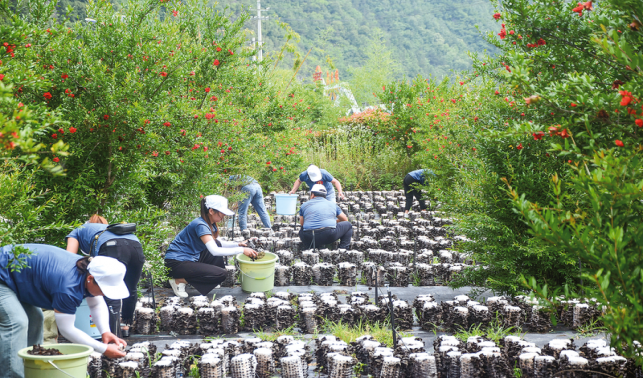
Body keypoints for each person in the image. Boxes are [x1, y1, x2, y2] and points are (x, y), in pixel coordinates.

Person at [0, 244, 129, 377]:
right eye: (103, 290)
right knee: (16, 322)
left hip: (17, 278)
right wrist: (104, 349)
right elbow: (67, 329)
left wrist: (105, 332)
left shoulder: (88, 269)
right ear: (90, 279)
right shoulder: (68, 287)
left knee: (36, 319)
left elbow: (96, 304)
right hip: (2, 276)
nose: (104, 294)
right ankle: (10, 375)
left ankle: (31, 369)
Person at [164, 195, 258, 298]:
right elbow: (214, 251)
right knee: (221, 274)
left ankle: (206, 279)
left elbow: (216, 243)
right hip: (176, 263)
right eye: (221, 212)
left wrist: (238, 244)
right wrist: (242, 250)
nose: (223, 215)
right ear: (211, 211)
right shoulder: (200, 225)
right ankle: (179, 280)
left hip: (190, 258)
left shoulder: (209, 224)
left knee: (216, 244)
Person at [66, 215, 145, 336]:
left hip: (113, 247)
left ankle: (113, 337)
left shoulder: (78, 230)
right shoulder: (108, 228)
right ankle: (126, 323)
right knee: (130, 287)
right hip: (136, 247)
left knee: (109, 291)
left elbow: (69, 258)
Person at [298, 184, 353, 250]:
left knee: (302, 229)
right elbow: (345, 219)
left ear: (312, 195)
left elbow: (302, 224)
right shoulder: (332, 205)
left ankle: (311, 247)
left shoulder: (304, 205)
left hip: (309, 236)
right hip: (328, 235)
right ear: (325, 196)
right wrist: (334, 222)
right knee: (348, 225)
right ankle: (343, 249)